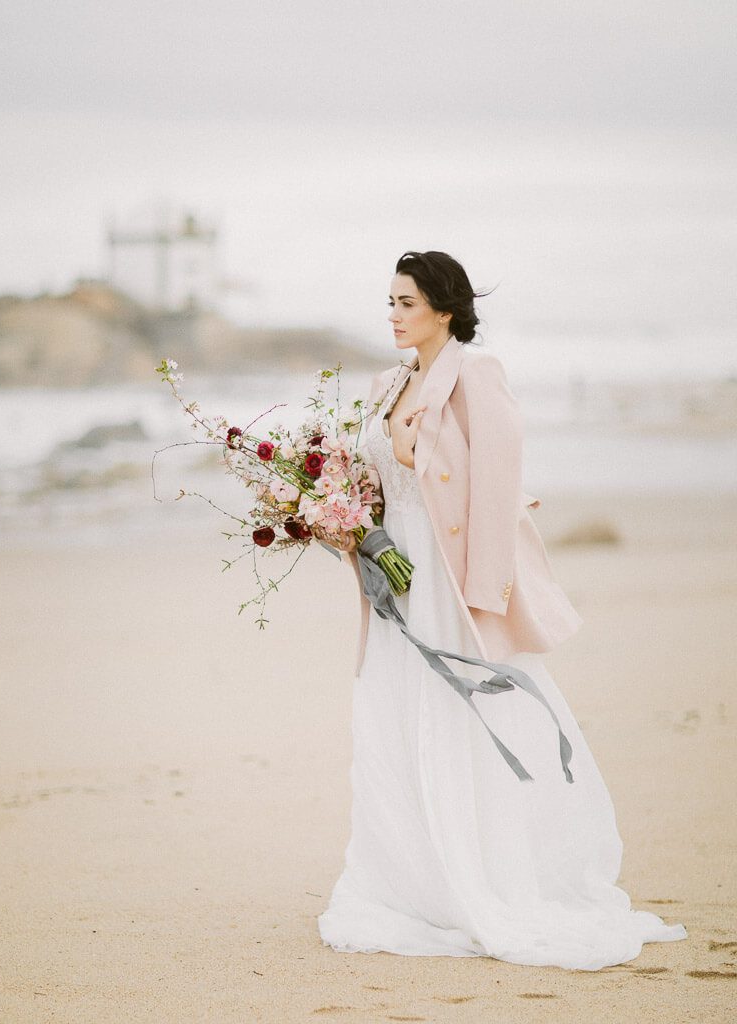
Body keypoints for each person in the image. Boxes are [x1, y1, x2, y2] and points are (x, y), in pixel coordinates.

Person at [316, 250, 687, 970]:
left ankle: (484, 875)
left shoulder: (475, 373)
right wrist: (338, 521)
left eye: (406, 303)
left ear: (444, 310)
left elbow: (496, 476)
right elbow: (370, 481)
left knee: (464, 714)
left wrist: (487, 593)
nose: (392, 315)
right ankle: (413, 884)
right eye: (388, 302)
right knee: (396, 712)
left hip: (453, 579)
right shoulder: (385, 380)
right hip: (395, 575)